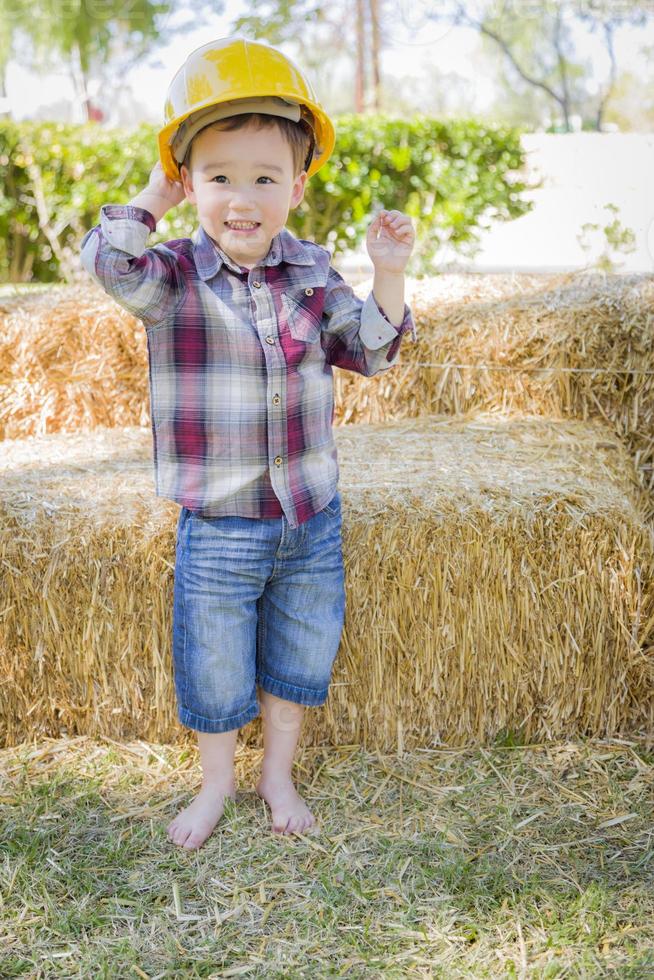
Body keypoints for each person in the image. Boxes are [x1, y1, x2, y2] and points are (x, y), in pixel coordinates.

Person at [79, 36, 417, 850]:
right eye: (219, 177)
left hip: (309, 518)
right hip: (220, 522)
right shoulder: (171, 277)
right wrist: (154, 195)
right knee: (217, 665)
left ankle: (278, 775)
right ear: (190, 182)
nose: (242, 198)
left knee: (299, 654)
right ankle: (217, 784)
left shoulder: (311, 272)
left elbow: (368, 351)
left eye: (264, 179)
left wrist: (390, 275)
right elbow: (107, 263)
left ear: (297, 188)